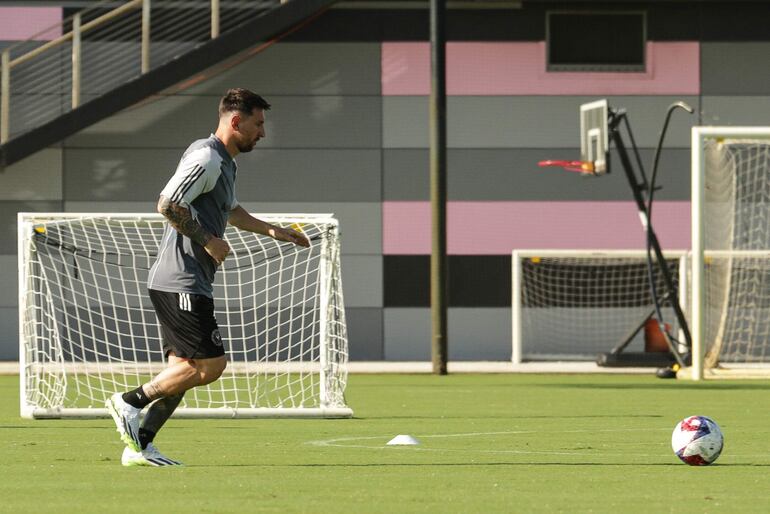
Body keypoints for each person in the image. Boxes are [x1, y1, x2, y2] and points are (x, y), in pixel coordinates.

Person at [106, 88, 309, 466]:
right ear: (236, 121)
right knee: (210, 366)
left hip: (188, 279)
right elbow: (167, 203)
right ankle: (128, 402)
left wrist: (273, 231)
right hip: (180, 278)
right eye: (258, 124)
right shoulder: (206, 158)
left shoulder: (225, 163)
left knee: (181, 371)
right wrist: (208, 240)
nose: (262, 133)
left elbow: (230, 211)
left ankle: (141, 445)